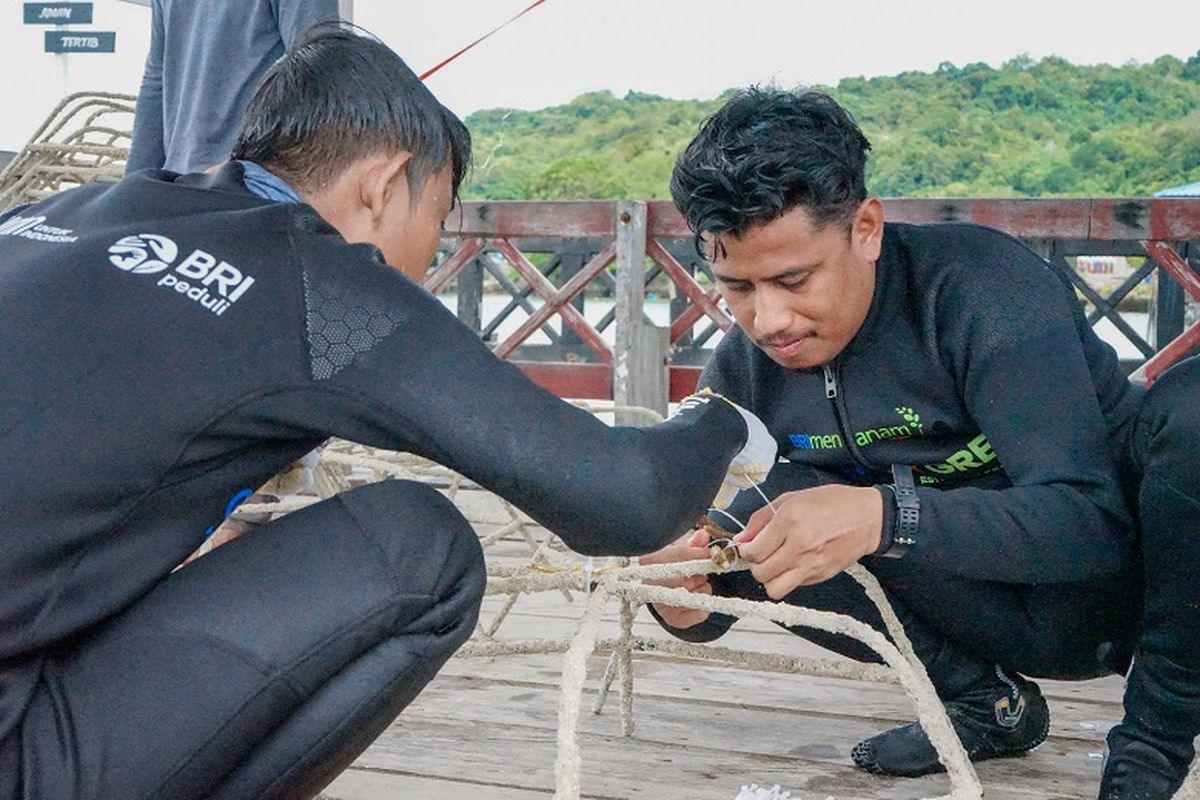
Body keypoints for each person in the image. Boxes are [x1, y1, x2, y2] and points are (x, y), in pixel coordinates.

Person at [0, 27, 776, 800]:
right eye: (436, 225)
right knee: (418, 546)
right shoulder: (320, 286)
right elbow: (624, 499)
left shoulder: (55, 216)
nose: (427, 267)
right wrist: (727, 421)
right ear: (383, 183)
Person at [640, 87, 1199, 799]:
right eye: (736, 288)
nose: (769, 319)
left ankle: (1148, 758)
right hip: (980, 613)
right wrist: (682, 599)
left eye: (792, 279)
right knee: (757, 503)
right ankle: (985, 703)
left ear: (866, 228)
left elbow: (1090, 524)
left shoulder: (981, 293)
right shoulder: (745, 370)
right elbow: (719, 577)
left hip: (1139, 593)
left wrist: (881, 514)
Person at [127, 0, 340, 174]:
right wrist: (133, 190)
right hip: (181, 184)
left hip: (256, 185)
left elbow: (319, 73)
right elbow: (157, 80)